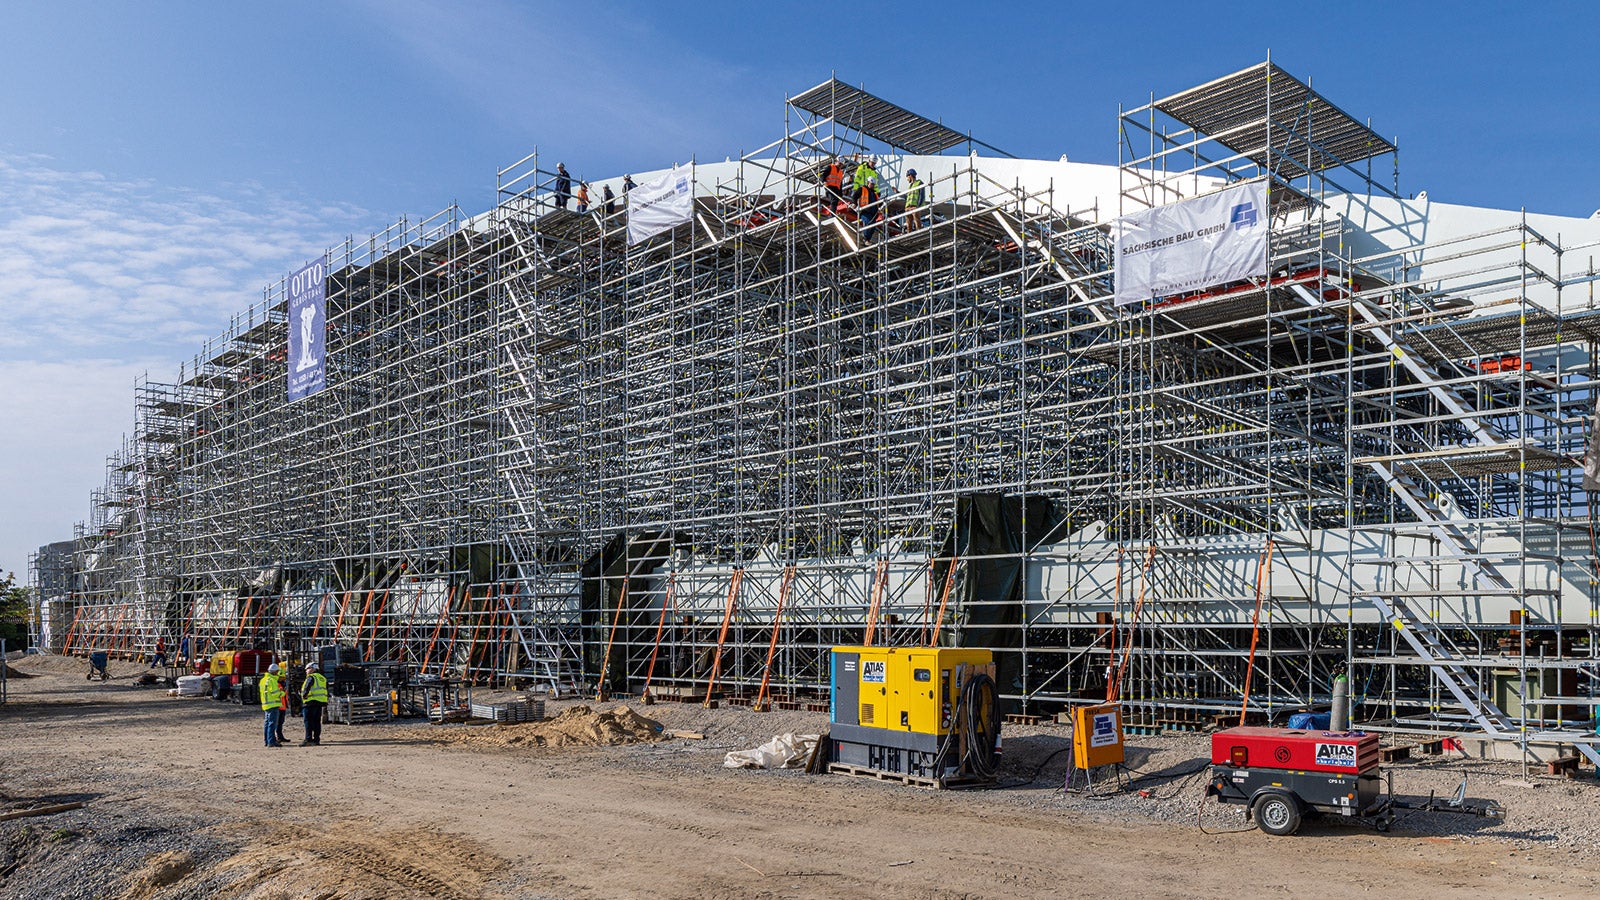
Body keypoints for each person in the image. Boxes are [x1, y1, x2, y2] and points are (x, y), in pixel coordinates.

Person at [301, 663, 328, 746]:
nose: (306, 670)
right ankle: (316, 740)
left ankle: (308, 739)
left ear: (313, 669)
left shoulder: (311, 677)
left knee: (308, 721)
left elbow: (307, 687)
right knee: (316, 722)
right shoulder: (322, 678)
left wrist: (304, 696)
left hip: (310, 701)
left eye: (307, 668)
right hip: (320, 702)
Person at [260, 664, 284, 748]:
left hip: (266, 704)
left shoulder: (263, 680)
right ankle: (271, 741)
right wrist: (282, 692)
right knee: (272, 723)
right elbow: (274, 693)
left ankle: (267, 741)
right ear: (275, 672)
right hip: (273, 704)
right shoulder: (272, 680)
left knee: (267, 723)